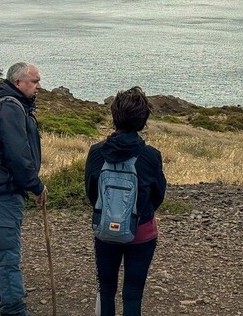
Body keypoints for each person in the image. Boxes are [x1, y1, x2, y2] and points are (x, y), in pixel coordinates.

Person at [0, 62, 48, 316]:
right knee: (7, 254)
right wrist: (36, 186)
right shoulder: (9, 106)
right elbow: (18, 154)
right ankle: (13, 309)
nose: (38, 86)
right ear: (18, 82)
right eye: (34, 82)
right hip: (1, 189)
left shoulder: (7, 101)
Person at [84, 86, 166, 316]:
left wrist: (109, 211)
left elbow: (91, 192)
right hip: (142, 231)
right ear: (143, 120)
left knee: (107, 291)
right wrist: (140, 213)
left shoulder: (96, 152)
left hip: (105, 230)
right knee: (132, 293)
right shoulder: (151, 155)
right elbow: (158, 194)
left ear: (114, 117)